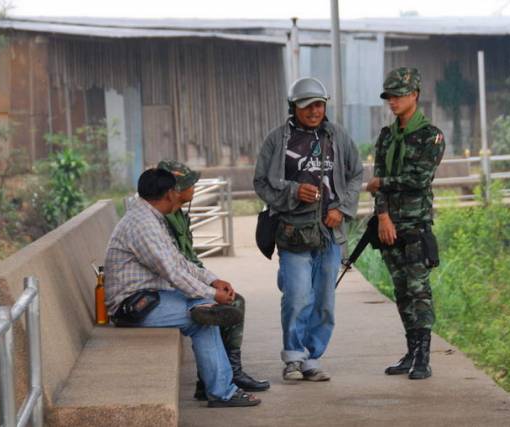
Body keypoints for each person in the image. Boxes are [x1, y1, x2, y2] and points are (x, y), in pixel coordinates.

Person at [104, 168, 261, 407]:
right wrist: (212, 295)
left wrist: (212, 280)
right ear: (169, 194)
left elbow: (178, 261)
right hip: (134, 306)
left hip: (151, 298)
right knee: (204, 317)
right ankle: (221, 392)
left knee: (205, 311)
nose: (179, 195)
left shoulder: (148, 217)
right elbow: (172, 272)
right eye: (177, 191)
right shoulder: (142, 225)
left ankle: (217, 387)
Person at [254, 77, 363, 381]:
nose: (315, 111)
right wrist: (292, 191)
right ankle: (293, 356)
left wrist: (341, 208)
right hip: (293, 231)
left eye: (319, 104)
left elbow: (357, 174)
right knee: (298, 297)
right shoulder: (277, 140)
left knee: (325, 300)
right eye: (307, 106)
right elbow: (260, 182)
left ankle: (312, 357)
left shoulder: (338, 136)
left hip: (329, 234)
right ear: (294, 108)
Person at [157, 160, 270, 398]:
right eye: (189, 184)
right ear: (174, 191)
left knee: (227, 301)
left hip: (184, 277)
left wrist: (212, 280)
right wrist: (208, 291)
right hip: (169, 285)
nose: (194, 187)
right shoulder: (162, 218)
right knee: (222, 306)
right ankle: (219, 378)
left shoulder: (177, 214)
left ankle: (227, 373)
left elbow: (187, 260)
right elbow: (173, 269)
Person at [366, 68, 446, 380]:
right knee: (401, 291)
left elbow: (419, 179)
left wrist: (383, 182)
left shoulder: (431, 136)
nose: (393, 101)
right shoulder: (387, 137)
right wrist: (383, 215)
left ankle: (424, 357)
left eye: (398, 94)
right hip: (390, 226)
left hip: (415, 226)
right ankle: (411, 351)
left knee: (418, 290)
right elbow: (377, 186)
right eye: (389, 96)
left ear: (415, 95)